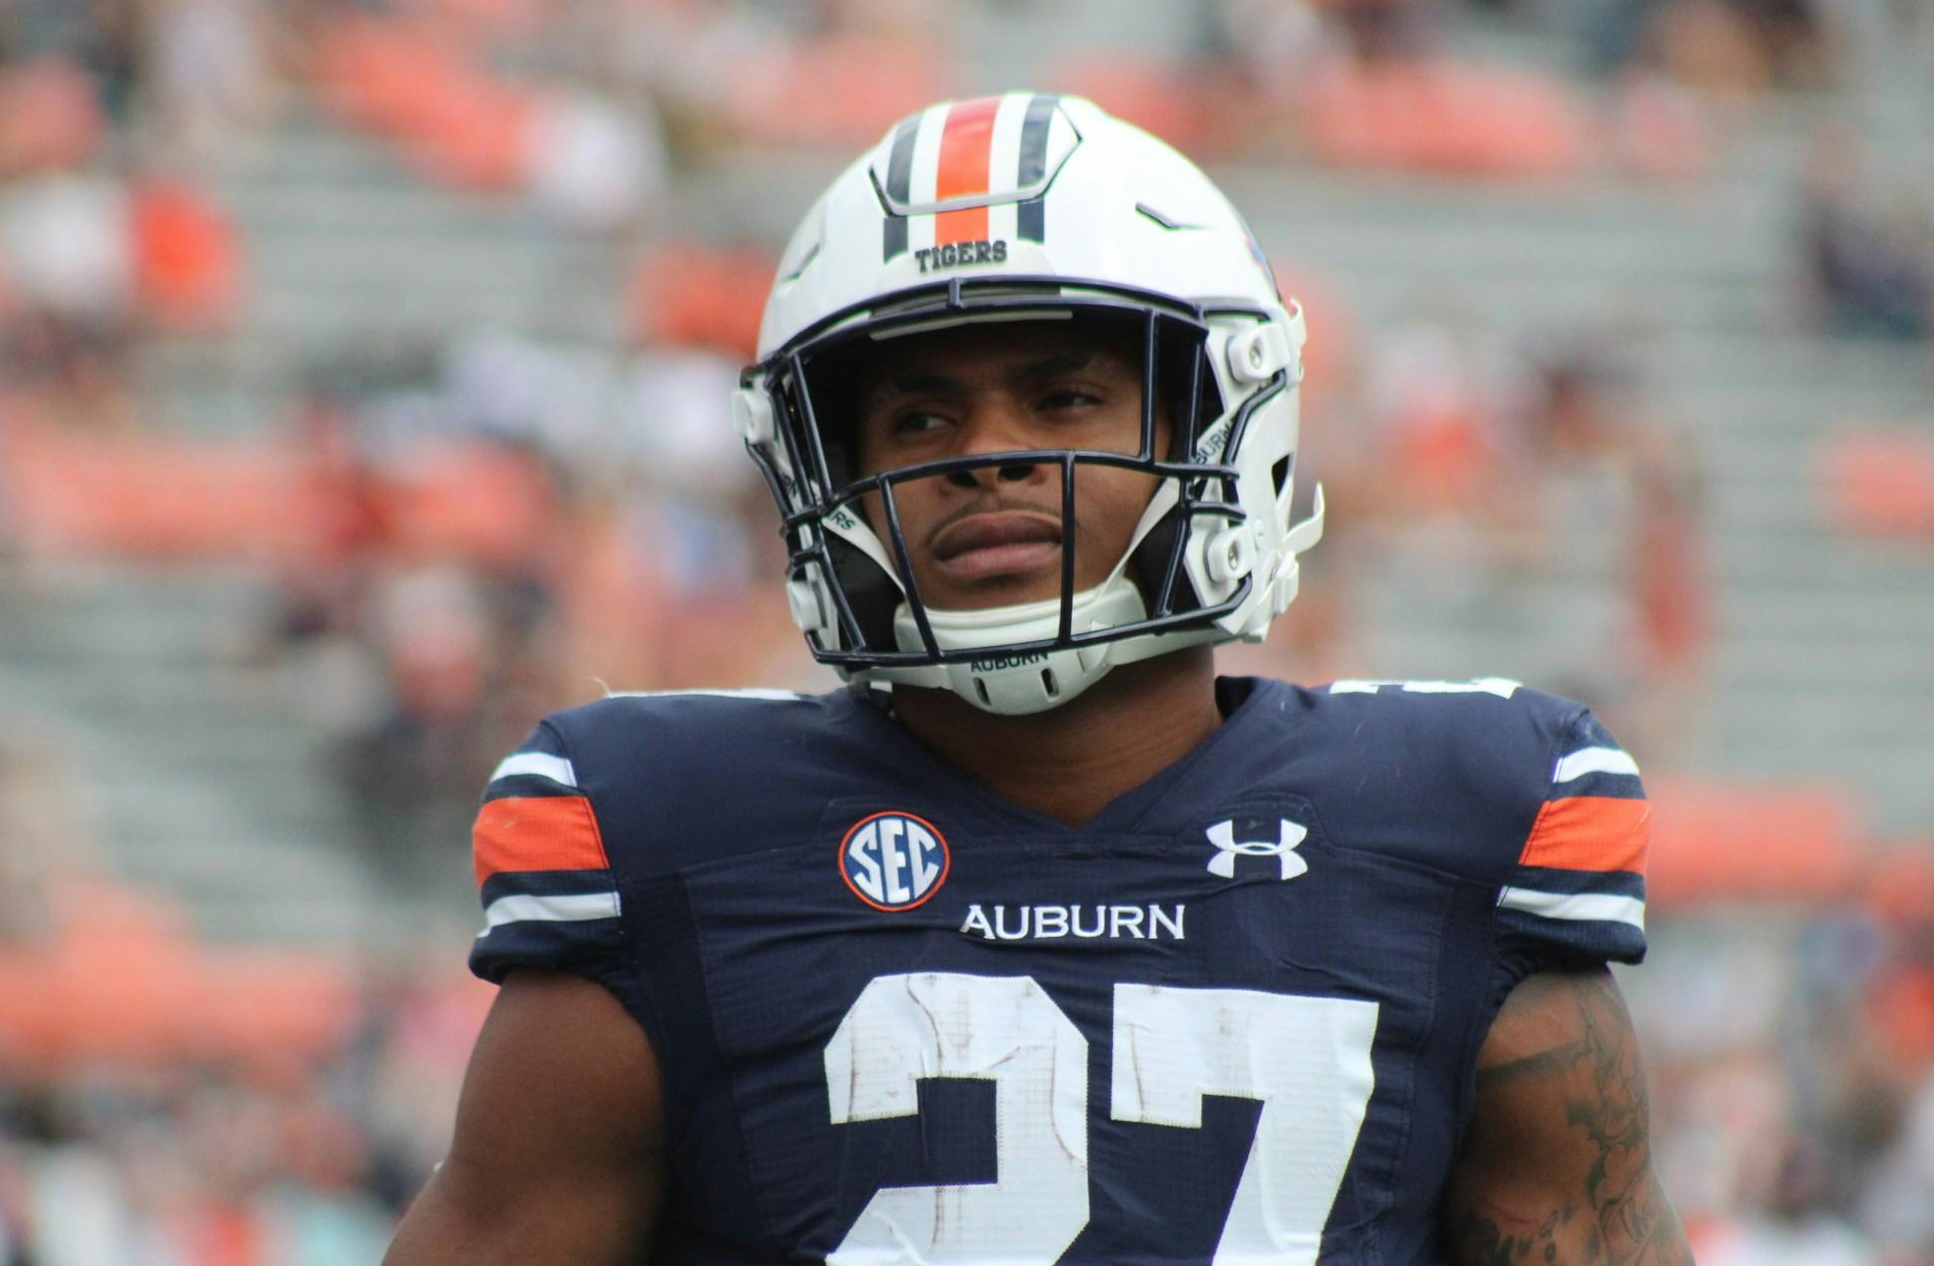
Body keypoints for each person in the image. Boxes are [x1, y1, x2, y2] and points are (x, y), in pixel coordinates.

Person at [386, 93, 1691, 1264]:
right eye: (918, 417)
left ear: (1222, 426)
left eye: (1063, 396)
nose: (987, 457)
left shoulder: (1448, 832)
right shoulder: (673, 840)